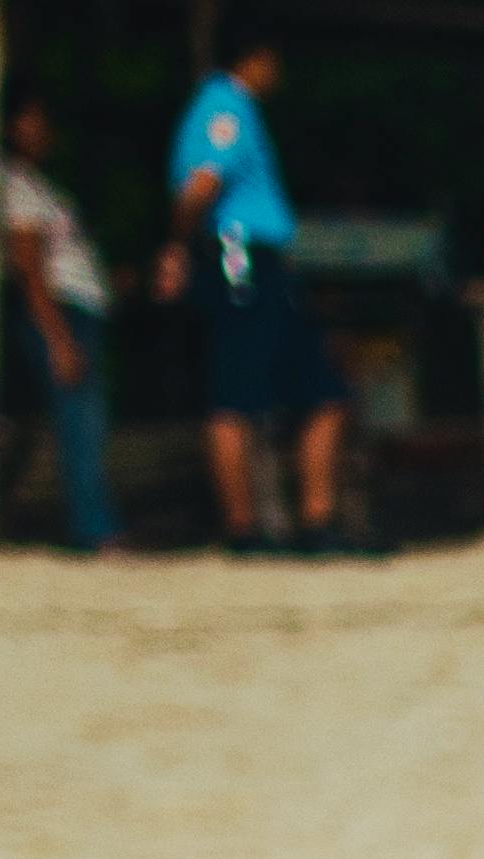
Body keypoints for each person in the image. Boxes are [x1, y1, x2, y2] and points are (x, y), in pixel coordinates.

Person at [150, 15, 353, 552]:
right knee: (236, 392)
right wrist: (177, 247)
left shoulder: (231, 107)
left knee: (322, 389)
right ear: (257, 57)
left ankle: (316, 521)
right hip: (239, 253)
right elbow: (201, 186)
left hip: (260, 259)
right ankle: (243, 530)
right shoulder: (224, 106)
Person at [0, 82, 118, 553]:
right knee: (80, 423)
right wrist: (59, 338)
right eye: (34, 118)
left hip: (75, 310)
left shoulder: (39, 187)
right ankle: (93, 529)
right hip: (60, 313)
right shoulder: (17, 187)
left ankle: (94, 524)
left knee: (87, 421)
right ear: (11, 125)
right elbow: (30, 272)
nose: (44, 129)